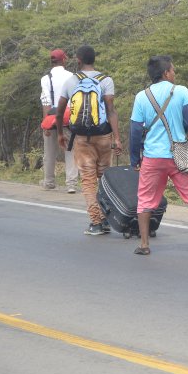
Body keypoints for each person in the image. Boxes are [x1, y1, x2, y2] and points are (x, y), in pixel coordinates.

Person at [129, 55, 188, 256]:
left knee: (145, 199)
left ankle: (144, 244)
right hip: (179, 153)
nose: (174, 73)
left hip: (153, 156)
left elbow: (135, 131)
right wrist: (179, 132)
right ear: (166, 73)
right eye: (173, 70)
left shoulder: (142, 97)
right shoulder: (181, 91)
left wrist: (135, 158)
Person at [56, 45, 122, 235]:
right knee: (104, 177)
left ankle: (96, 222)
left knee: (87, 179)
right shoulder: (106, 80)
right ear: (95, 59)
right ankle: (107, 218)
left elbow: (60, 112)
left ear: (78, 60)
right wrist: (117, 138)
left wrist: (61, 133)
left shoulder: (71, 81)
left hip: (82, 139)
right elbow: (111, 111)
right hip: (103, 136)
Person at [40, 48, 78, 193]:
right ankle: (71, 184)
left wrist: (46, 124)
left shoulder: (45, 79)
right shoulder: (72, 77)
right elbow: (75, 99)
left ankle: (49, 182)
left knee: (49, 152)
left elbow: (46, 102)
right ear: (64, 60)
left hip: (51, 117)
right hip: (68, 117)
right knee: (71, 150)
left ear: (52, 61)